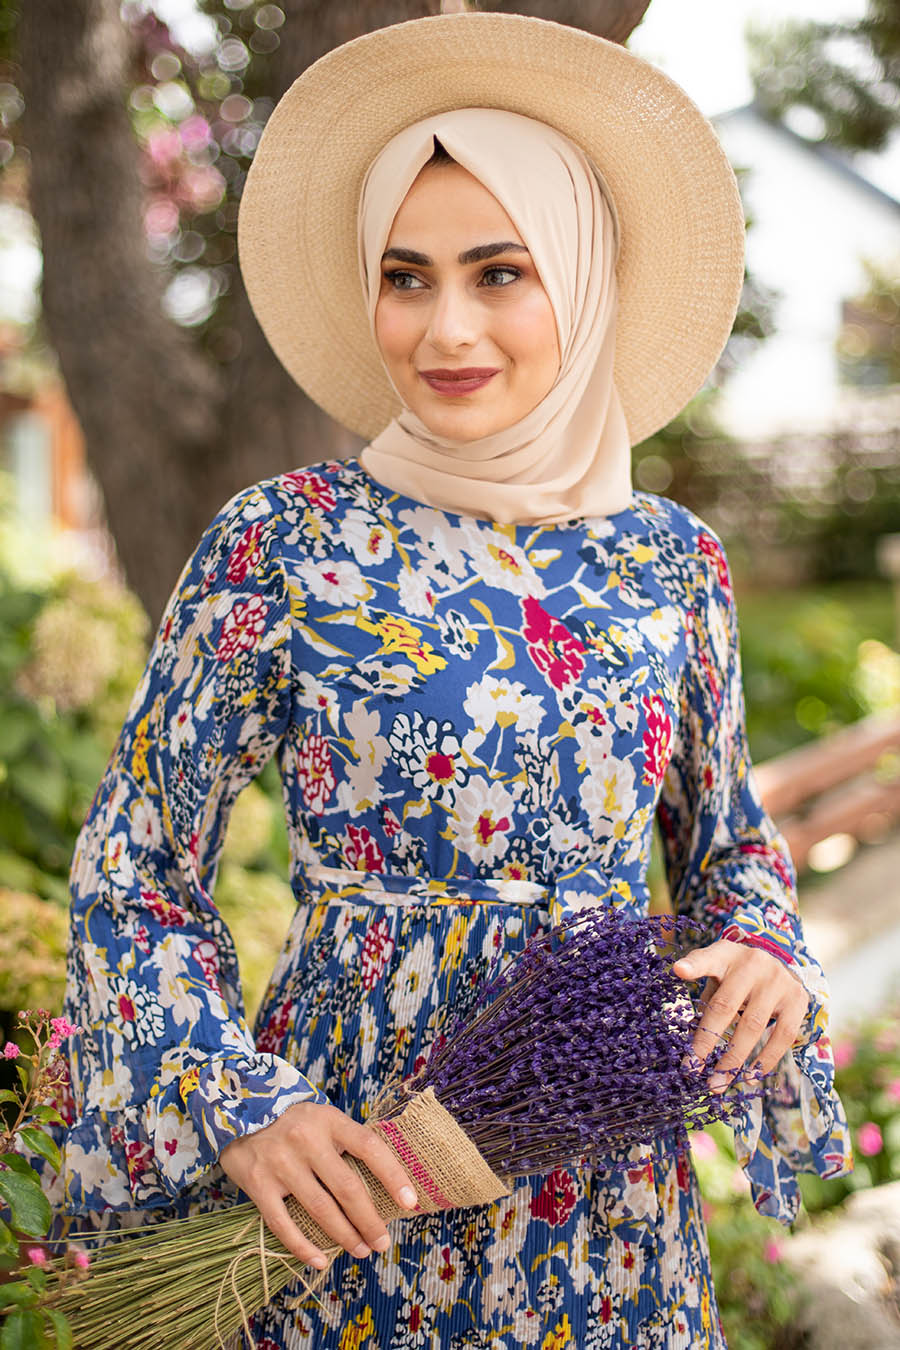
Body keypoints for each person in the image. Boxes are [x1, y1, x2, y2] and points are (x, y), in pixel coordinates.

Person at [43, 12, 852, 1348]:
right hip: (343, 1166)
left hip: (601, 1189)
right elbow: (136, 861)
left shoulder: (672, 563)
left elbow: (727, 848)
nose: (446, 326)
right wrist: (238, 1102)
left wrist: (762, 943)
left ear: (581, 281)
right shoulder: (282, 541)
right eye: (406, 276)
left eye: (499, 272)